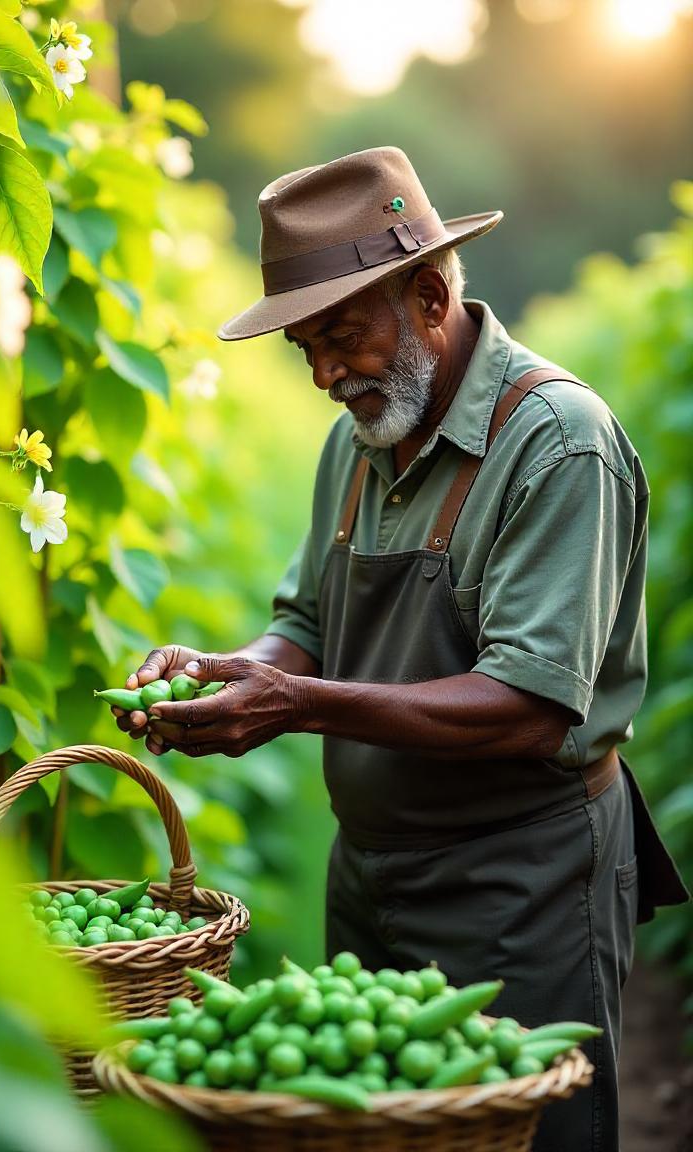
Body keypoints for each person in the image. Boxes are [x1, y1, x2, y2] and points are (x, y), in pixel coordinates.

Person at [111, 147, 688, 1151]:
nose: (327, 374)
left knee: (526, 1134)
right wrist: (230, 673)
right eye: (305, 349)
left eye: (342, 337)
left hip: (522, 883)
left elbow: (525, 706)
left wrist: (295, 706)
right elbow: (304, 625)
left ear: (428, 296)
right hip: (372, 873)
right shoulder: (362, 436)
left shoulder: (556, 443)